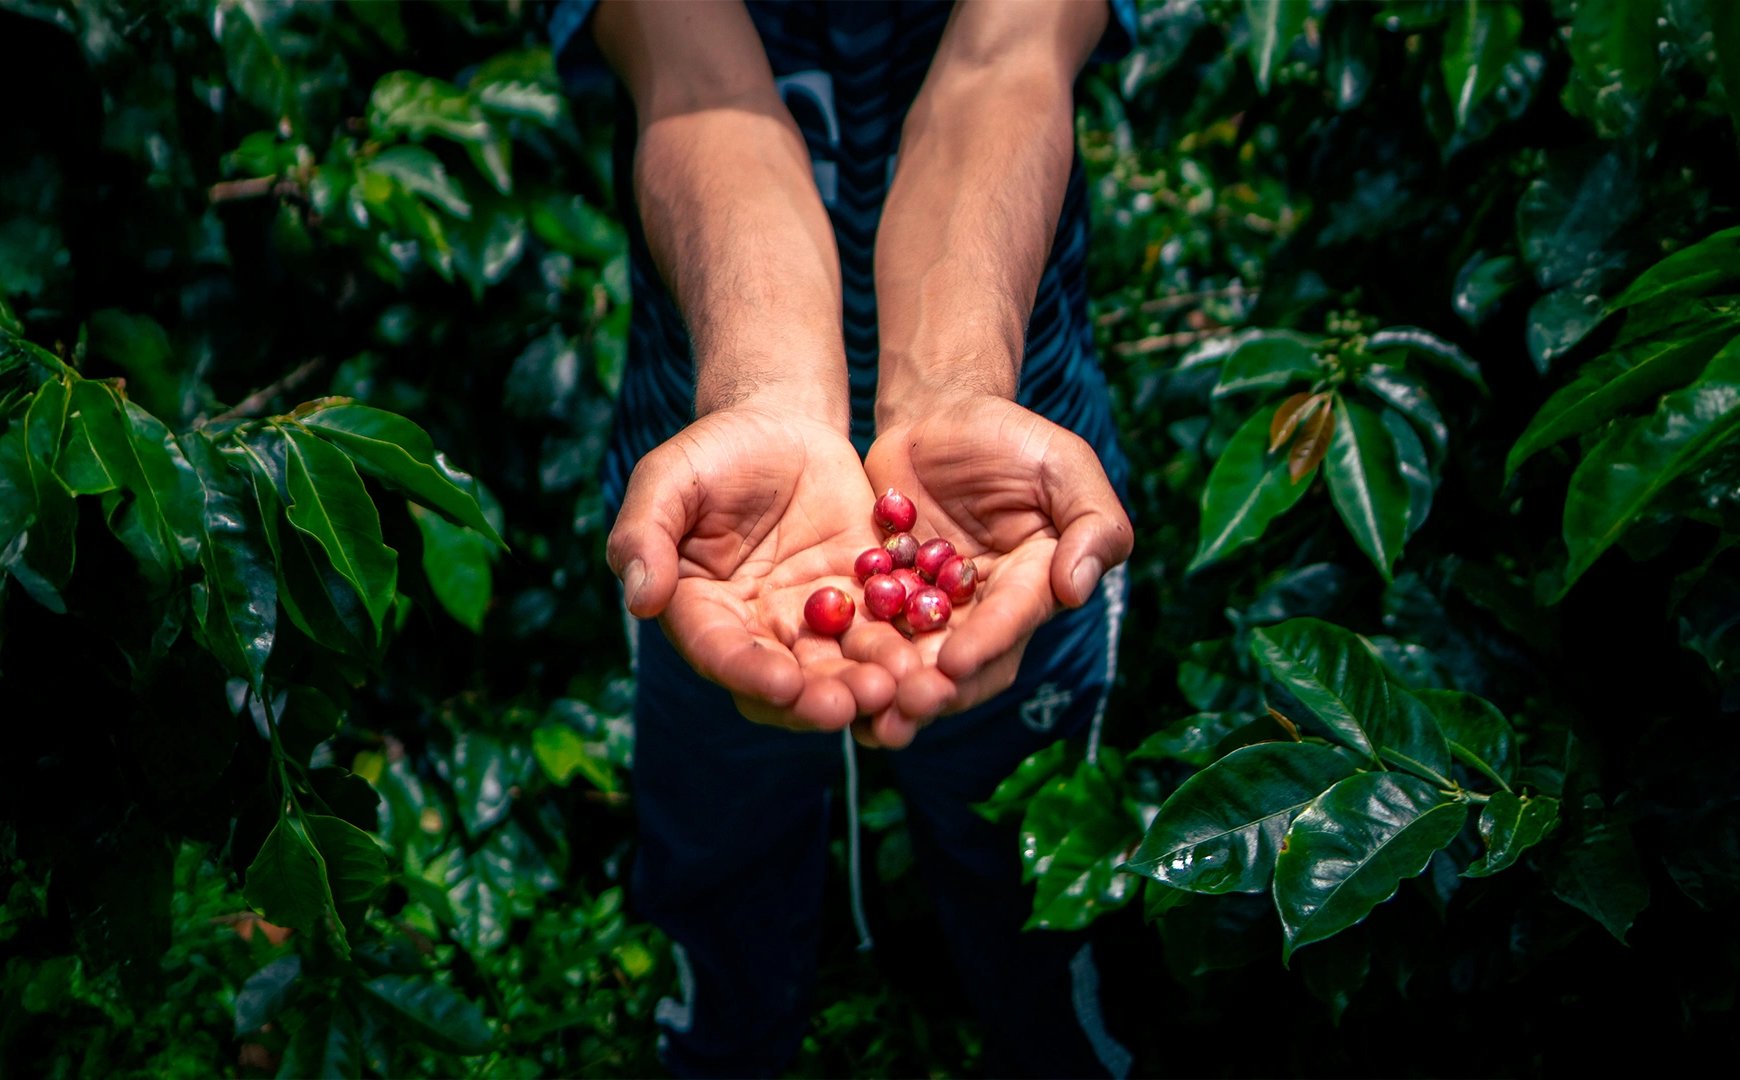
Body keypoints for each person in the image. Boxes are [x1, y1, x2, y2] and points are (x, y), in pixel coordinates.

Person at [549, 1, 1137, 1074]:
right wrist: (768, 393)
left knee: (1033, 858)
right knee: (722, 836)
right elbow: (698, 86)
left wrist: (957, 385)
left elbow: (1004, 61)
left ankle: (1055, 1040)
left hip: (1007, 470)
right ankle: (724, 1037)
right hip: (720, 511)